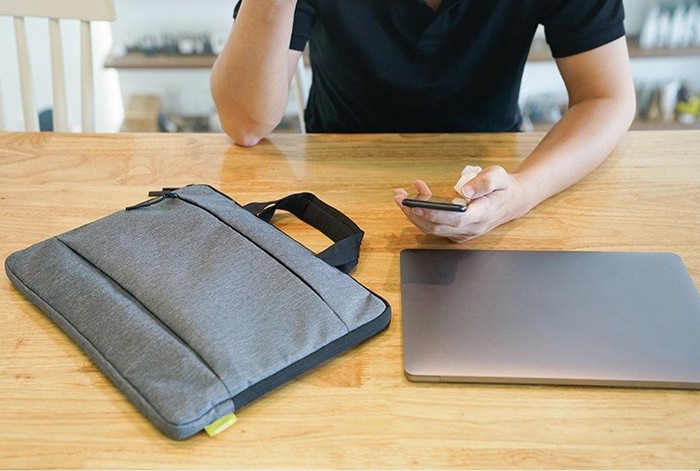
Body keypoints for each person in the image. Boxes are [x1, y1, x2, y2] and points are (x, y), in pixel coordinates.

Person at [210, 0, 636, 243]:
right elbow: (245, 122)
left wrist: (523, 192)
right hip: (333, 194)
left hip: (494, 177)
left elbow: (607, 97)